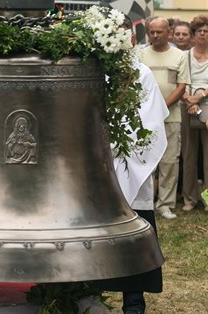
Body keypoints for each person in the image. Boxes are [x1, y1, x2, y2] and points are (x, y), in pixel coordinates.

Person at [96, 16, 168, 314]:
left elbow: (150, 122)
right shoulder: (93, 72)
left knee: (134, 230)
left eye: (122, 35)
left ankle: (133, 299)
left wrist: (118, 145)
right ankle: (85, 292)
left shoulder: (142, 74)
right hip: (97, 164)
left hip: (129, 163)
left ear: (132, 39)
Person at [139, 16, 190, 219]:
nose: (155, 35)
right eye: (152, 32)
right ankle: (145, 202)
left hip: (171, 116)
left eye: (160, 32)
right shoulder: (140, 55)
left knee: (169, 161)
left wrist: (162, 107)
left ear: (169, 33)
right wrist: (151, 109)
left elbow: (182, 85)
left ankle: (165, 204)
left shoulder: (179, 56)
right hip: (144, 117)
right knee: (146, 160)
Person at [180, 15, 208, 212]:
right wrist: (189, 99)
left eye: (207, 32)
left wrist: (200, 97)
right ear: (194, 35)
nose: (203, 35)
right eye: (200, 31)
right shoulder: (185, 56)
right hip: (187, 105)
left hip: (207, 105)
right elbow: (180, 80)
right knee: (189, 154)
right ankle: (189, 198)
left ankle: (207, 199)